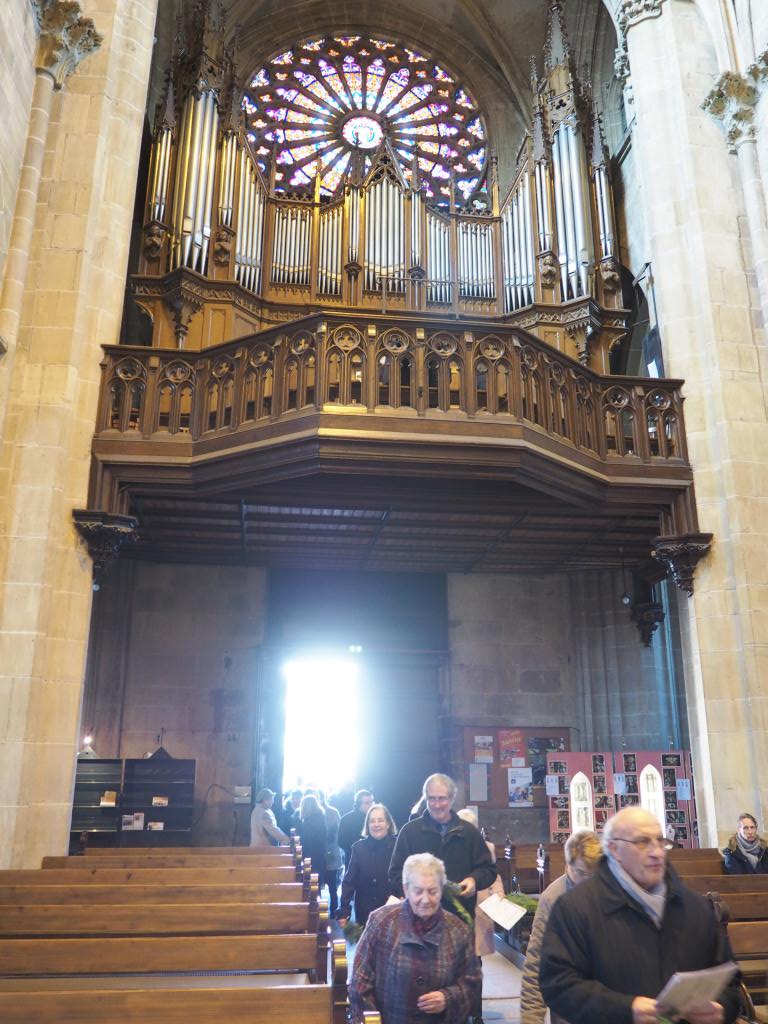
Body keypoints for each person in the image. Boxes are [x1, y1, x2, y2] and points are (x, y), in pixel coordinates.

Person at [539, 808, 742, 1024]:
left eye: (660, 841)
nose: (657, 852)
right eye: (643, 842)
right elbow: (559, 985)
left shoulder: (695, 906)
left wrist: (721, 1007)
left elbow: (729, 980)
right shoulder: (575, 908)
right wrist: (625, 1010)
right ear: (614, 849)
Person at [349, 852, 480, 1024]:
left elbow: (471, 982)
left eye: (433, 891)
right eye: (418, 891)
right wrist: (371, 1020)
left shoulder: (458, 931)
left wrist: (448, 998)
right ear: (406, 889)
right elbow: (360, 980)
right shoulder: (382, 922)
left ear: (442, 890)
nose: (425, 900)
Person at [519, 829, 602, 1024]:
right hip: (569, 1009)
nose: (588, 880)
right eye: (582, 873)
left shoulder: (607, 890)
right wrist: (531, 1018)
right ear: (569, 865)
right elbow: (537, 961)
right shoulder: (553, 898)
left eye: (594, 874)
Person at [388, 773, 497, 919]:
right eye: (432, 799)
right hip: (418, 918)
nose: (437, 805)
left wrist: (474, 880)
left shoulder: (469, 832)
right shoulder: (409, 832)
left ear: (452, 798)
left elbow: (488, 869)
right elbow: (395, 873)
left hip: (459, 917)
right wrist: (415, 893)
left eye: (442, 798)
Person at [456, 807, 507, 1024]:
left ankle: (476, 1012)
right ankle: (460, 1008)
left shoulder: (486, 848)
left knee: (476, 964)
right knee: (457, 963)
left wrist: (500, 898)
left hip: (480, 909)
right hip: (457, 910)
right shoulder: (450, 847)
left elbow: (494, 877)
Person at [338, 803, 398, 927]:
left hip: (393, 913)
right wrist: (344, 910)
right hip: (365, 913)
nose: (376, 824)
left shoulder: (398, 846)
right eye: (372, 821)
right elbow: (349, 881)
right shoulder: (358, 848)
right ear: (367, 825)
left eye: (380, 820)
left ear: (388, 824)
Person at [319, 790, 343, 915]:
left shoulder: (332, 812)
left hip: (329, 851)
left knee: (331, 884)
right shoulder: (330, 812)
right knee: (328, 884)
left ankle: (333, 910)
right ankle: (332, 910)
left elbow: (338, 833)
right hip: (326, 852)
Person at [339, 789, 375, 864]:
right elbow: (342, 842)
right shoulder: (346, 819)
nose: (371, 805)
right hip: (353, 861)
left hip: (373, 861)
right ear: (359, 804)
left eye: (372, 802)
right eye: (367, 803)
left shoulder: (376, 818)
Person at [298, 792, 327, 883]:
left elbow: (307, 839)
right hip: (320, 852)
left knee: (310, 879)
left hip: (310, 854)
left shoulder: (308, 820)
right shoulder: (321, 817)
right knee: (317, 879)